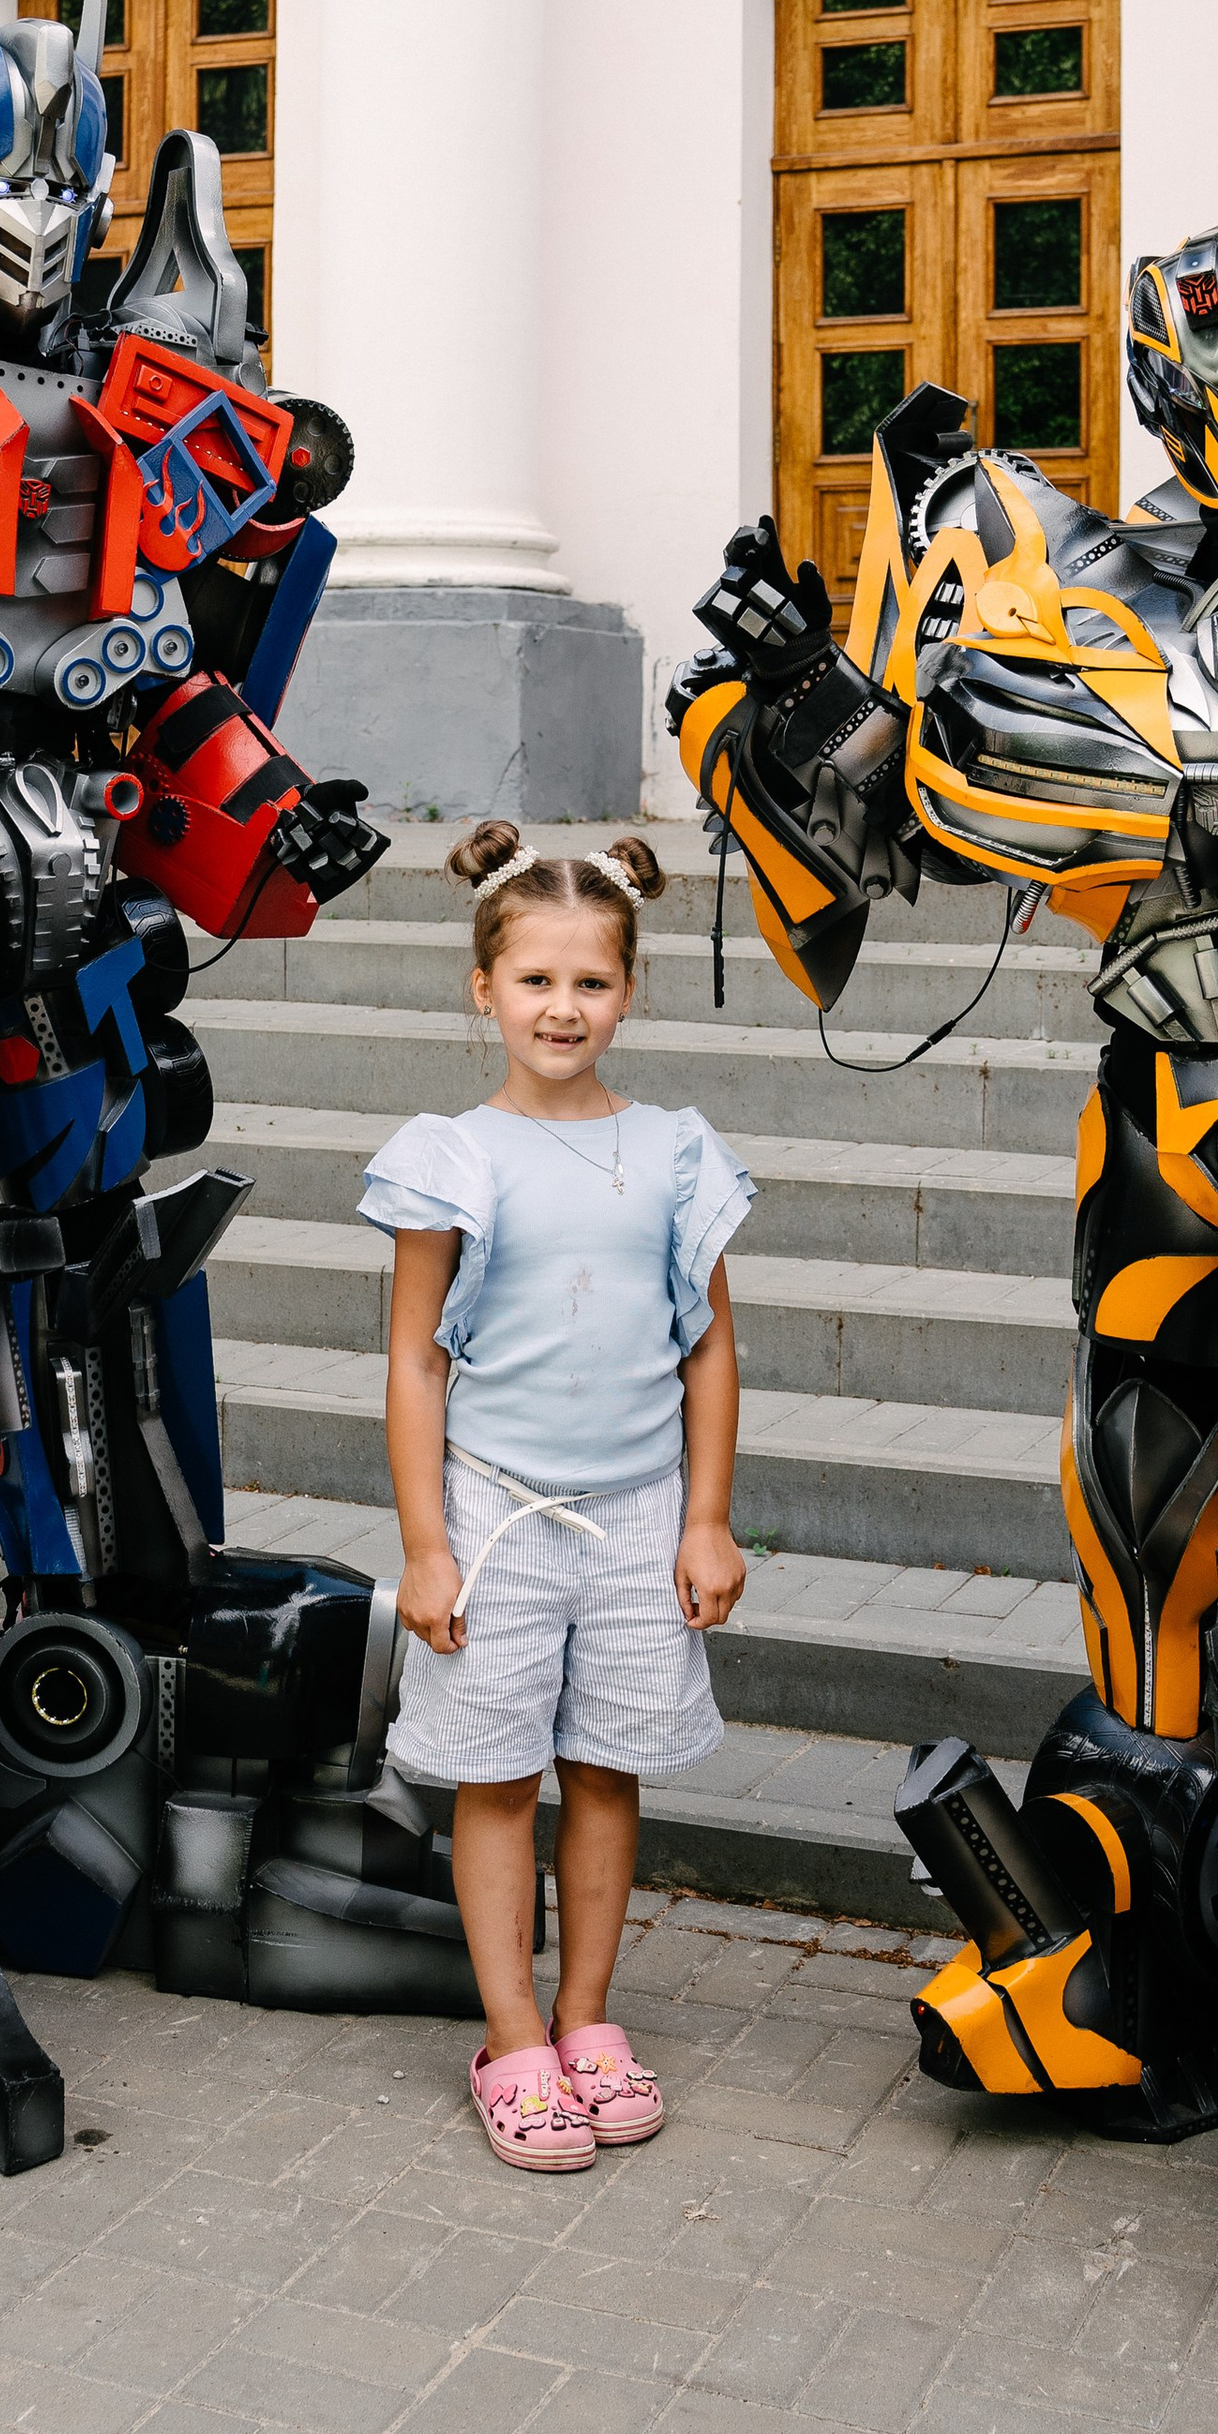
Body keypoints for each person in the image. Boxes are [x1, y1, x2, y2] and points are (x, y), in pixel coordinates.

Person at [362, 825, 753, 2171]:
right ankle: (514, 2038)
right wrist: (426, 1546)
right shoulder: (451, 1157)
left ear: (627, 993)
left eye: (589, 984)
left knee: (605, 1771)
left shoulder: (673, 1152)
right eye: (534, 982)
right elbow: (417, 1357)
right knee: (499, 1779)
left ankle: (589, 2020)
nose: (562, 1009)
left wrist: (704, 1517)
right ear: (485, 990)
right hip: (495, 1518)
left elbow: (707, 1345)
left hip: (640, 1515)